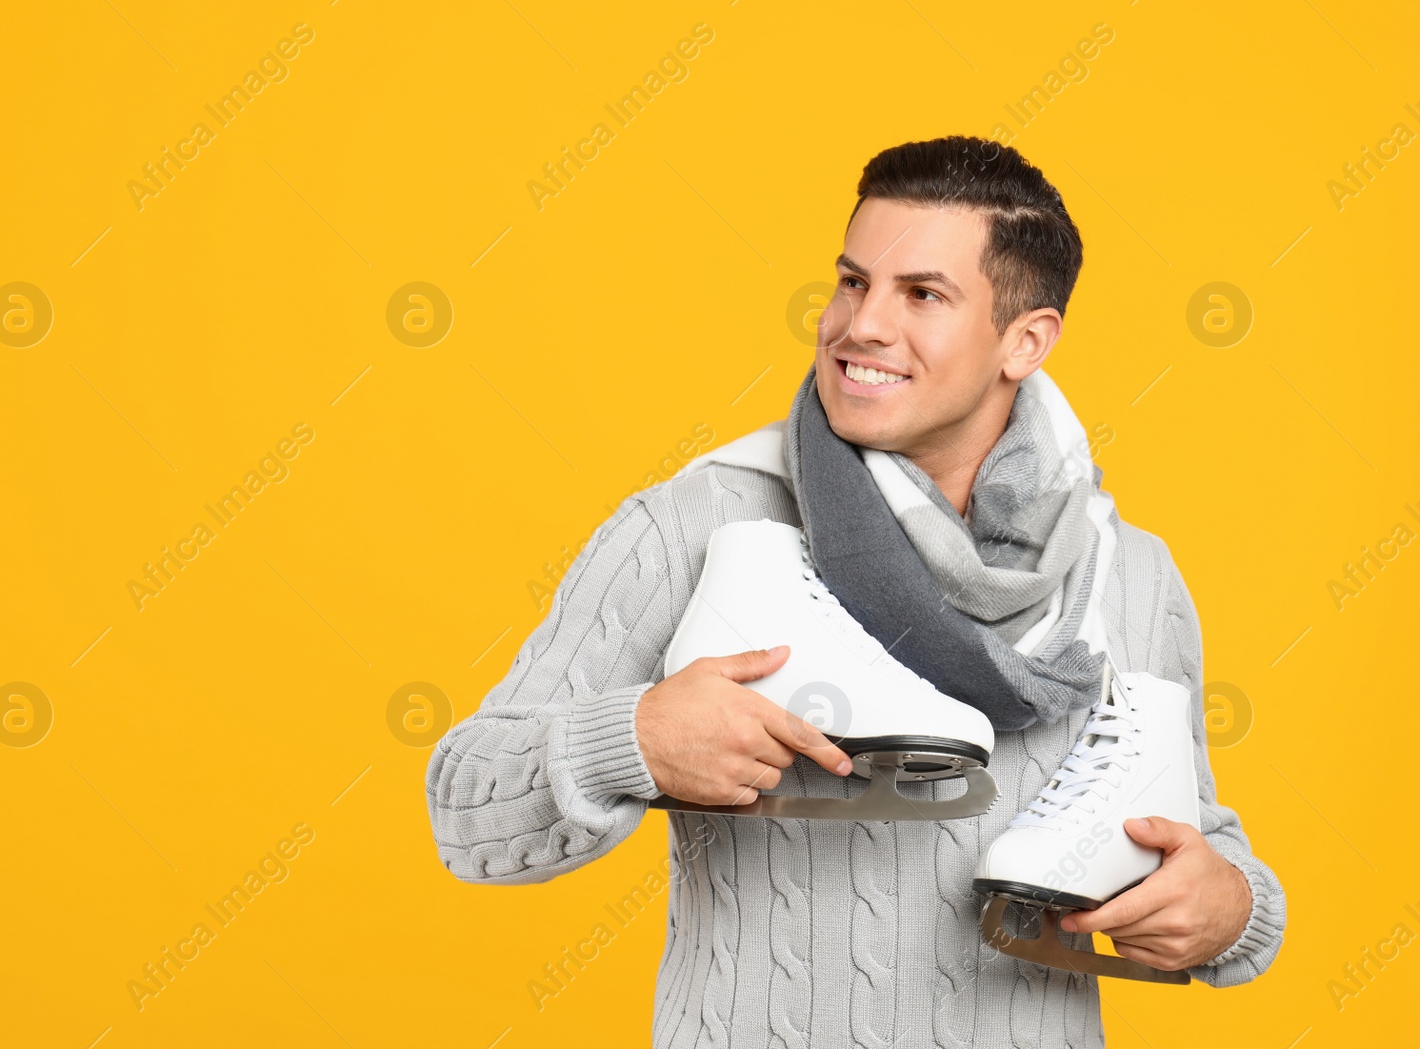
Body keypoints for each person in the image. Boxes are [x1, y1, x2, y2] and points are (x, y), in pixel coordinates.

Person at [426, 136, 1284, 1048]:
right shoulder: (697, 524)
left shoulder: (1128, 574)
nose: (860, 325)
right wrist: (632, 740)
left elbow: (1204, 841)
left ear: (1025, 340)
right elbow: (466, 807)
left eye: (922, 294)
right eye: (851, 282)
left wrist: (1230, 906)